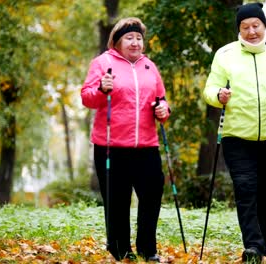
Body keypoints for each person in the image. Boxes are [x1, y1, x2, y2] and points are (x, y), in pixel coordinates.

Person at [203, 3, 266, 263]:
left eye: (255, 25)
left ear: (264, 26)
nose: (251, 31)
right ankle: (253, 246)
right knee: (245, 188)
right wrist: (218, 95)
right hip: (237, 136)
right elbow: (209, 89)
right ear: (239, 29)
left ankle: (263, 244)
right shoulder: (225, 54)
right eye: (245, 27)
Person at [81, 17, 170, 262]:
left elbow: (160, 99)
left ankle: (147, 249)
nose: (135, 43)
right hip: (111, 146)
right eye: (129, 38)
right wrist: (101, 88)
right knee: (117, 200)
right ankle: (120, 250)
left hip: (146, 145)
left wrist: (163, 110)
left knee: (151, 196)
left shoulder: (149, 67)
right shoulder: (103, 63)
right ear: (118, 42)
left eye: (139, 38)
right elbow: (87, 98)